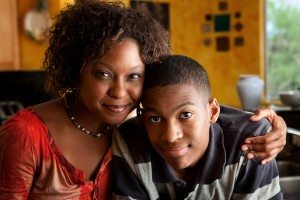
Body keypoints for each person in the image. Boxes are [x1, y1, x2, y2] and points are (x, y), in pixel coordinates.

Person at [0, 1, 285, 199]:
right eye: (103, 74)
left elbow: (193, 112)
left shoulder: (139, 122)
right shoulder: (25, 134)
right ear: (76, 70)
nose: (120, 92)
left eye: (134, 76)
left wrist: (267, 128)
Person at [112, 55, 282, 199]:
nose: (171, 136)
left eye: (185, 115)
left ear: (212, 111)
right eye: (155, 118)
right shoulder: (129, 142)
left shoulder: (252, 142)